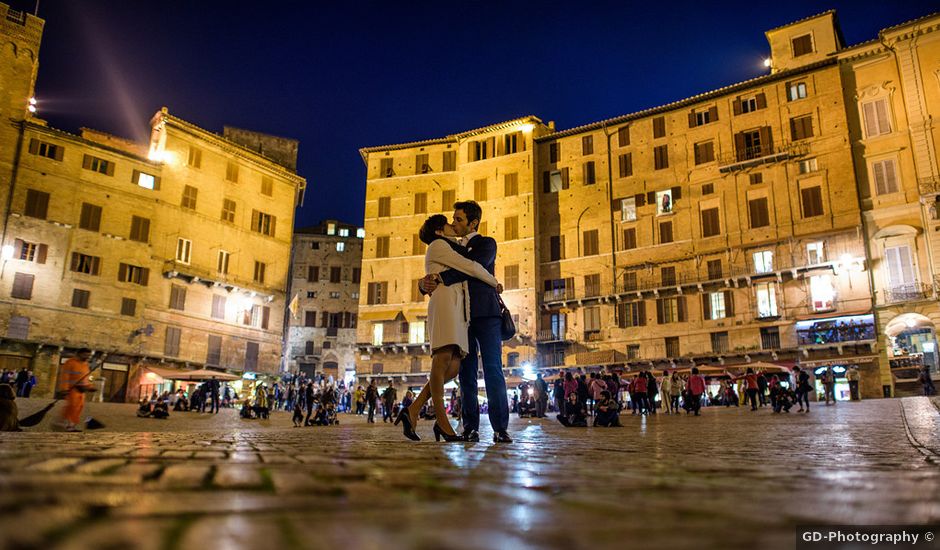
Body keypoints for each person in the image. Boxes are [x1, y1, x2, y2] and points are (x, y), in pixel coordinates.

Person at [399, 214, 501, 442]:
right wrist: (496, 283)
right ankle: (443, 423)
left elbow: (462, 267)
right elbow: (469, 267)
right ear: (438, 231)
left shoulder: (461, 245)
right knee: (442, 359)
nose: (453, 224)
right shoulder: (439, 245)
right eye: (449, 222)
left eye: (458, 219)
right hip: (446, 304)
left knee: (453, 368)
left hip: (458, 309)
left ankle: (413, 409)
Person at [419, 201, 512, 444]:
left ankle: (500, 428)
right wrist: (424, 282)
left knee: (493, 370)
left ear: (473, 223)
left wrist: (440, 277)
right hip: (463, 318)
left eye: (459, 219)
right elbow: (439, 262)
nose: (454, 223)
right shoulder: (449, 246)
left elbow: (473, 268)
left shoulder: (486, 243)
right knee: (466, 374)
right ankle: (470, 427)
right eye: (453, 219)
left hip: (487, 314)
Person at [57, 349, 95, 431]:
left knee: (79, 407)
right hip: (72, 389)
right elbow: (65, 376)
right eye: (85, 355)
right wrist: (64, 389)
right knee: (72, 406)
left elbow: (87, 377)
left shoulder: (85, 364)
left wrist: (90, 386)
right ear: (79, 354)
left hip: (82, 390)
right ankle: (68, 425)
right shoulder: (70, 362)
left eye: (89, 355)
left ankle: (69, 424)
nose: (87, 357)